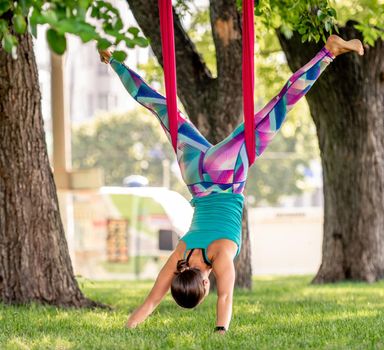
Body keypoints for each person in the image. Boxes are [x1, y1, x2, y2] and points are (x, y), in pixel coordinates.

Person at [99, 34, 363, 333]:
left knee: (279, 106)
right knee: (163, 109)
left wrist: (221, 331)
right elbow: (149, 304)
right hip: (195, 173)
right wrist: (126, 328)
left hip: (226, 175)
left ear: (204, 283)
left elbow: (225, 296)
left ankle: (329, 52)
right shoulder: (180, 254)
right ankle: (114, 62)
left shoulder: (220, 255)